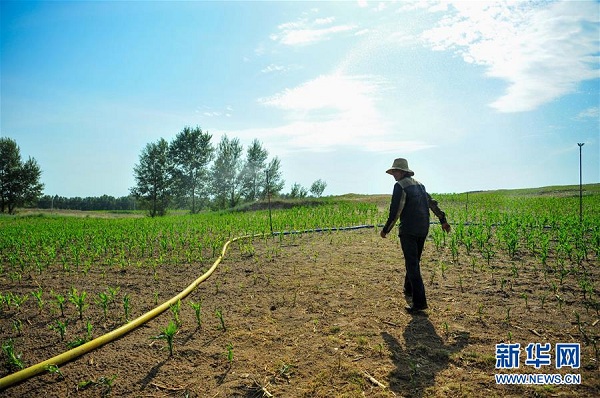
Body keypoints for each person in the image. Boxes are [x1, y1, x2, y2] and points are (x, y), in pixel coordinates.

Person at [380, 158, 451, 314]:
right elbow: (432, 203)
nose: (393, 175)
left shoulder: (400, 186)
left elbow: (395, 211)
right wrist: (443, 220)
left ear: (402, 171)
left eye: (395, 172)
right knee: (413, 260)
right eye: (393, 172)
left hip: (409, 230)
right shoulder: (420, 185)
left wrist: (386, 229)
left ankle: (419, 303)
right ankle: (408, 288)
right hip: (423, 229)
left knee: (412, 264)